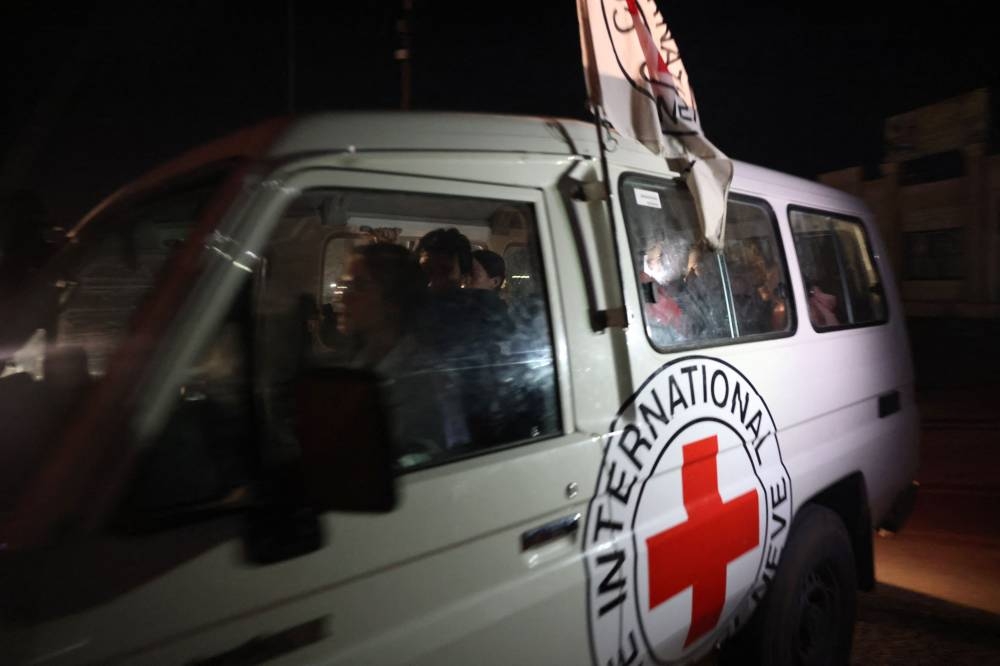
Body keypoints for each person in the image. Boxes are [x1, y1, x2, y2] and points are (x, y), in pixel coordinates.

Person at [415, 227, 473, 292]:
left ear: (465, 277)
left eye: (445, 271)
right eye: (428, 270)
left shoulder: (478, 300)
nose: (434, 281)